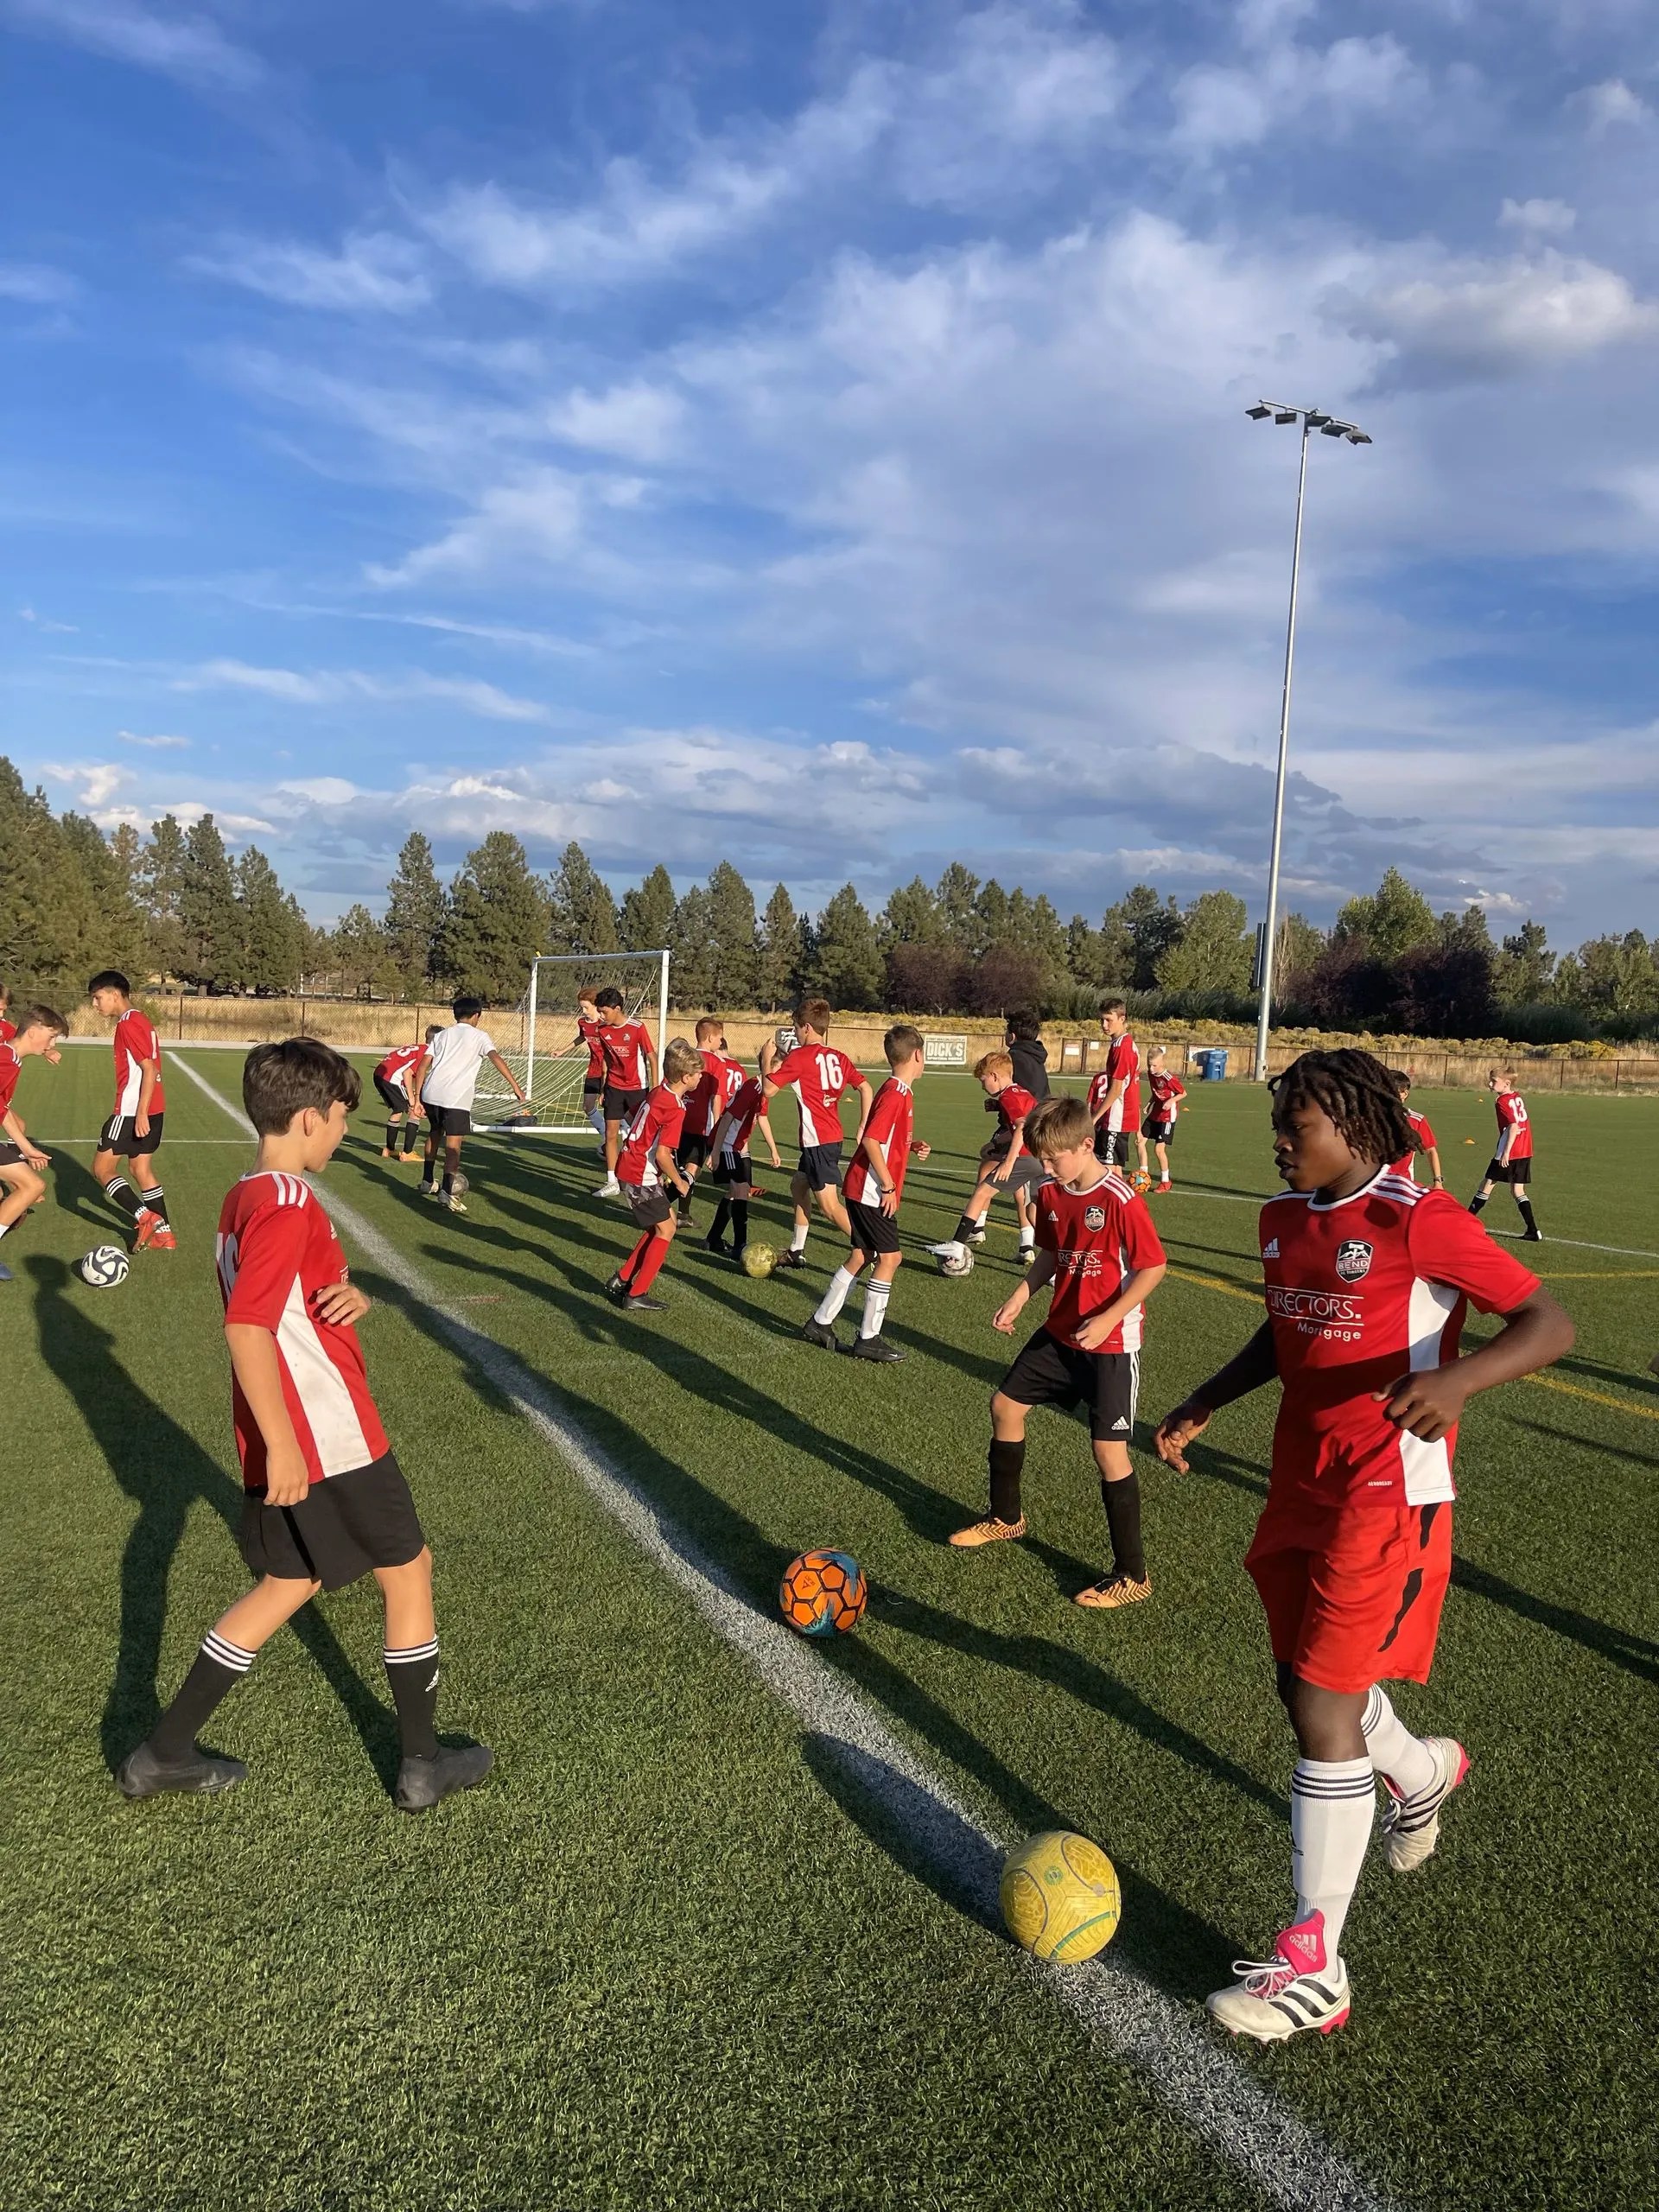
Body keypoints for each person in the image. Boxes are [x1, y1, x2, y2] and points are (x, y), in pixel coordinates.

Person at [1153, 1048, 1572, 2043]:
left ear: (1353, 1127)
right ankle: (1421, 1772)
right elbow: (1286, 1332)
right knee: (1301, 1681)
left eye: (1295, 1126)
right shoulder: (1280, 1220)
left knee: (1317, 1701)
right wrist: (1209, 1396)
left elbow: (1547, 1320)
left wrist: (1462, 1383)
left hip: (1389, 1494)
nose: (1281, 1141)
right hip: (1300, 1481)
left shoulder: (1419, 1217)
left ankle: (1315, 1963)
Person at [117, 1039, 492, 1811]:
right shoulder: (288, 1202)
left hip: (290, 1432)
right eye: (340, 1121)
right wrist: (287, 1444)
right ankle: (422, 1762)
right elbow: (249, 1327)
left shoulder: (245, 1194)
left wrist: (350, 1294)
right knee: (409, 1571)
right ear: (308, 1117)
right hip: (325, 1434)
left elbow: (289, 1298)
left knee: (290, 1580)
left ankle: (163, 1753)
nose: (344, 1134)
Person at [950, 1094, 1166, 1608]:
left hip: (1111, 1341)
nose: (1046, 1168)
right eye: (1042, 1159)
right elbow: (1051, 1251)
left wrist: (1110, 1316)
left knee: (1107, 1451)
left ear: (1087, 1145)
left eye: (1054, 1158)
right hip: (1060, 1331)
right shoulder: (1051, 1191)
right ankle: (1006, 1518)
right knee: (1004, 1406)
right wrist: (1020, 1296)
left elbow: (1153, 1267)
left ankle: (1132, 1573)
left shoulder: (1120, 1198)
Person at [803, 1024, 931, 1363]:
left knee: (862, 1254)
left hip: (864, 1187)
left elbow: (883, 1139)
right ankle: (868, 1338)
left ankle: (820, 1321)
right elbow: (871, 1141)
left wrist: (911, 1144)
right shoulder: (895, 1094)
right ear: (918, 1055)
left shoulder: (898, 1091)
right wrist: (888, 1184)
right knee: (891, 1258)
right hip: (872, 1190)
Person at [763, 1000, 874, 1270]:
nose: (796, 1033)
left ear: (808, 1028)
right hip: (830, 1135)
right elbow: (866, 1088)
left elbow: (768, 1090)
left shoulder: (800, 1057)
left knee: (830, 1207)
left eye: (797, 1028)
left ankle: (872, 1249)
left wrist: (767, 1058)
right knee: (798, 1186)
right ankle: (796, 1250)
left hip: (818, 1141)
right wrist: (862, 1125)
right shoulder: (838, 1056)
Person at [603, 1038, 703, 1313]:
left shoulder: (660, 1092)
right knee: (667, 1229)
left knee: (662, 1224)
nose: (700, 1077)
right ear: (686, 1077)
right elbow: (662, 1154)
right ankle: (637, 1293)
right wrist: (680, 1181)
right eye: (698, 1074)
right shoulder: (675, 1108)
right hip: (638, 1172)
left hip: (635, 1167)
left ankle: (621, 1279)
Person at [926, 1051, 1042, 1269]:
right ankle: (1057, 1259)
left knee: (982, 1191)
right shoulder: (1021, 1092)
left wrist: (1008, 1161)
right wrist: (997, 1128)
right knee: (1032, 1210)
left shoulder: (1008, 1096)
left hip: (1025, 1156)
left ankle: (957, 1244)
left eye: (983, 1080)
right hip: (1042, 1157)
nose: (982, 1086)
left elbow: (1022, 1126)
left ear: (995, 1076)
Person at [88, 969, 175, 1252]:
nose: (95, 1004)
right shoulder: (142, 1019)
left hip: (130, 1111)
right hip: (155, 1108)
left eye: (98, 998)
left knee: (102, 1168)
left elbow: (148, 1069)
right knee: (140, 1168)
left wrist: (139, 1113)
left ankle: (145, 1217)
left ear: (115, 994)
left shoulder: (127, 1024)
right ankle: (165, 1235)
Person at [417, 998, 526, 1212]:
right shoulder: (480, 1036)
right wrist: (515, 1086)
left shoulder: (441, 1035)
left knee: (434, 1133)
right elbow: (495, 1057)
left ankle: (427, 1181)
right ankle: (448, 1194)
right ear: (477, 1015)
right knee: (454, 1145)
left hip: (431, 1093)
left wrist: (417, 1097)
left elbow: (422, 1067)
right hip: (455, 1097)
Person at [0, 1004, 67, 1282]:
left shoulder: (10, 1057)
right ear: (35, 1029)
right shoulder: (6, 1058)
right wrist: (26, 1149)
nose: (51, 1044)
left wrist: (26, 1148)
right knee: (31, 1185)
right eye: (51, 1037)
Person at [705, 1058, 781, 1262]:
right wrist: (715, 1151)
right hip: (727, 1146)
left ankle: (713, 1239)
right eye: (780, 1070)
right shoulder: (753, 1087)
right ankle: (740, 1246)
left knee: (735, 1193)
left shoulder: (764, 1090)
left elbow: (762, 1118)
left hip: (737, 1147)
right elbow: (728, 1117)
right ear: (769, 1069)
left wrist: (773, 1149)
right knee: (740, 1192)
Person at [676, 1017, 744, 1224]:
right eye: (720, 1037)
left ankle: (673, 1210)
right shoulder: (717, 1063)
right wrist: (717, 1129)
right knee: (692, 1169)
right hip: (701, 1126)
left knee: (674, 1166)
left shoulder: (683, 1057)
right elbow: (717, 1097)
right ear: (710, 1037)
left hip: (678, 1120)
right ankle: (680, 1213)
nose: (721, 1041)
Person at [594, 988, 658, 1199]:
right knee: (610, 1133)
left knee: (641, 1135)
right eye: (600, 1012)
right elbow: (608, 1061)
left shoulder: (638, 1028)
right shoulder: (603, 1031)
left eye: (604, 1012)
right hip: (614, 1088)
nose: (602, 1016)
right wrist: (604, 1088)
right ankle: (612, 1181)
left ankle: (648, 1174)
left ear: (617, 1008)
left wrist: (656, 1090)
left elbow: (652, 1057)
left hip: (637, 1090)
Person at [1469, 1069, 1540, 1241]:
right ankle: (1533, 1230)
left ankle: (1465, 1221)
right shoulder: (1517, 1096)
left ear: (1506, 1083)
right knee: (1517, 1190)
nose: (1490, 1084)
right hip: (1525, 1148)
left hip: (1510, 1149)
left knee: (1487, 1184)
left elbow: (1513, 1126)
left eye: (1494, 1081)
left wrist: (1506, 1153)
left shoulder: (1502, 1101)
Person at [1087, 997, 1144, 1178]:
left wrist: (1095, 1117)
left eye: (1109, 1020)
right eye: (1102, 1020)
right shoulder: (1124, 1043)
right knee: (1115, 1168)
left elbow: (1116, 1089)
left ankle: (1115, 1205)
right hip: (1122, 1116)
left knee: (1107, 1170)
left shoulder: (1121, 1048)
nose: (1104, 1025)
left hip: (1116, 1117)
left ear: (1122, 1019)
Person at [374, 1028, 438, 1161]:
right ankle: (407, 1153)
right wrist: (413, 1098)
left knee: (397, 1110)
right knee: (415, 1111)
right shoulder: (428, 1052)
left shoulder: (419, 1047)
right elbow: (408, 1072)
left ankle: (389, 1149)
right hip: (391, 1078)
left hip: (380, 1074)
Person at [1143, 1046, 1187, 1193]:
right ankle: (1143, 1175)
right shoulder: (1151, 1074)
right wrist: (1149, 1104)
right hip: (1155, 1113)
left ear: (1162, 1063)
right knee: (1139, 1140)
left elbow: (1183, 1093)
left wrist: (1171, 1101)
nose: (1151, 1068)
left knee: (1159, 1149)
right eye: (1149, 1065)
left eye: (1154, 1065)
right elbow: (1155, 1092)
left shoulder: (1169, 1078)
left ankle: (1165, 1181)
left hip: (1167, 1117)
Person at [1389, 1071, 1443, 1189]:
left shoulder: (1417, 1120)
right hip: (1373, 1184)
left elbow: (1431, 1151)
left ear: (1404, 1093)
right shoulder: (1372, 1117)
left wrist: (1438, 1181)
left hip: (1403, 1185)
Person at [575, 987, 607, 1146]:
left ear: (595, 1005)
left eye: (586, 1007)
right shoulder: (582, 1023)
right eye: (582, 1007)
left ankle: (628, 1137)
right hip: (594, 1070)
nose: (583, 1010)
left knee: (611, 1108)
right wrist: (562, 1050)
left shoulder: (605, 1024)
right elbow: (582, 1037)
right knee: (588, 1107)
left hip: (610, 1071)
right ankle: (606, 1136)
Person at [1005, 1010, 1051, 1101]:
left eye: (1006, 1031)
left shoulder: (1014, 1057)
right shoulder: (1036, 1055)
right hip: (1042, 1110)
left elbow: (1018, 1094)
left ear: (1012, 1036)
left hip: (1026, 1113)